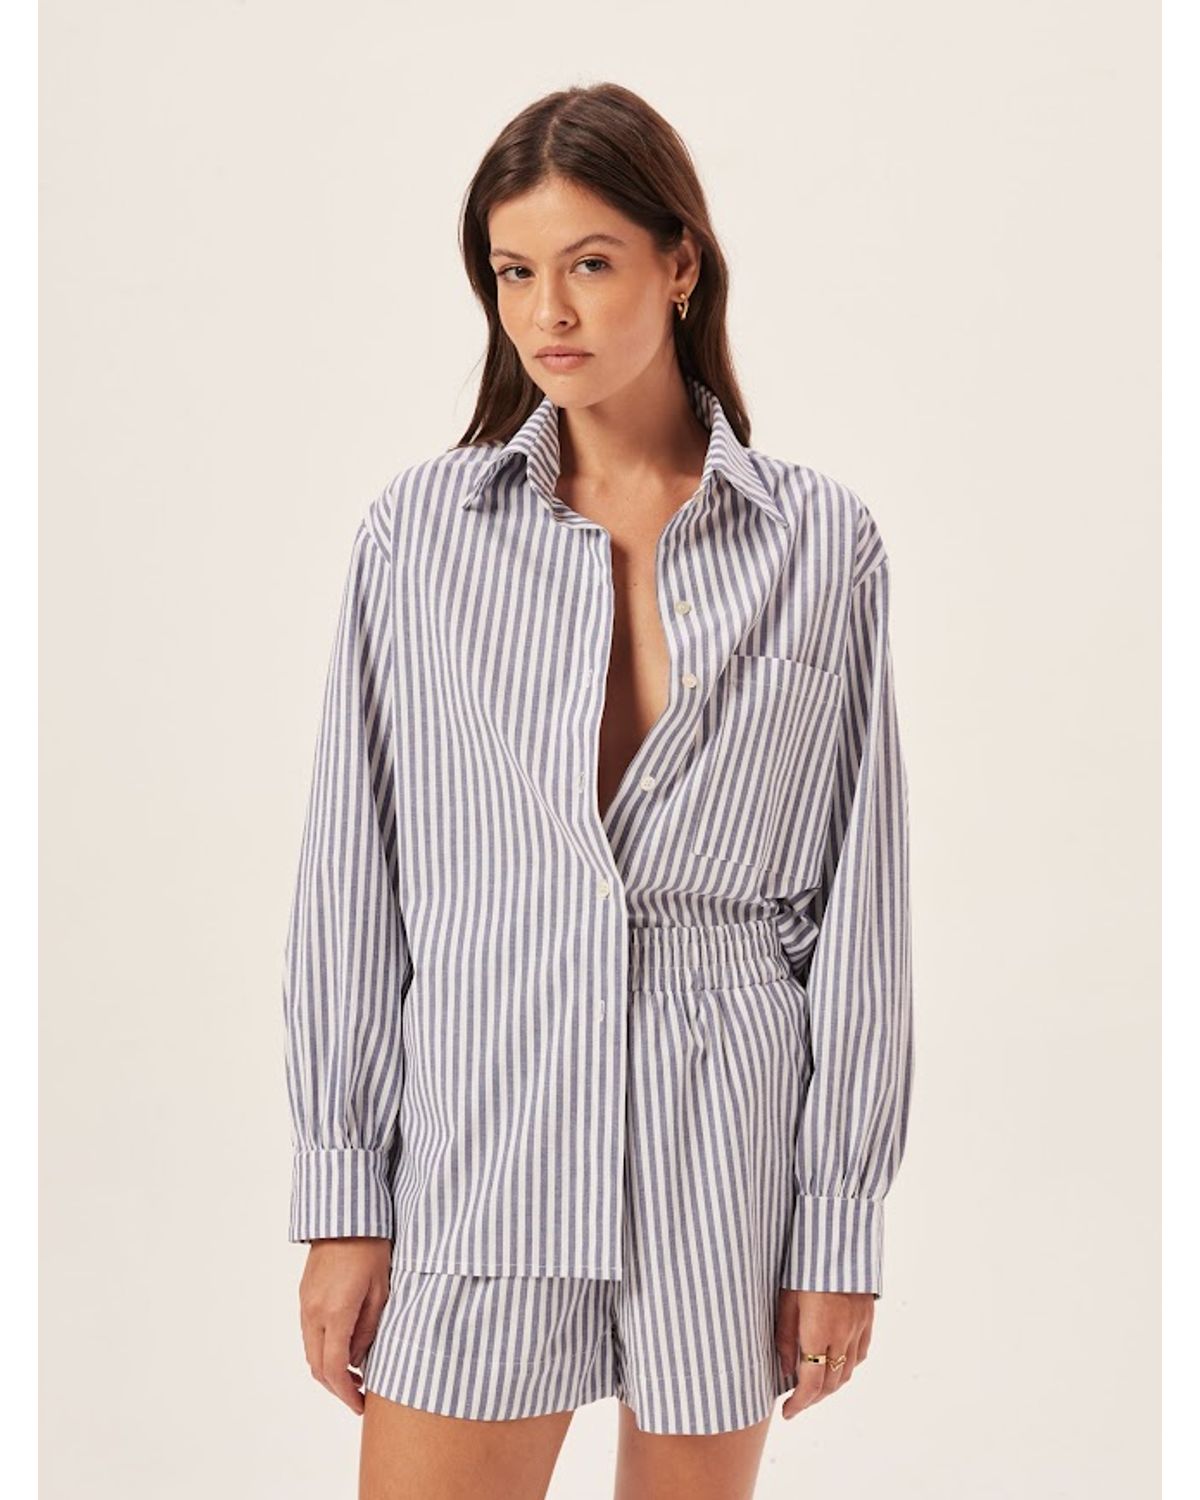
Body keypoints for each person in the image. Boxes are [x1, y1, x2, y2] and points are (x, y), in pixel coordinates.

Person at [281, 80, 914, 1500]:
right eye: (513, 272)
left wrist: (838, 1224)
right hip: (488, 1122)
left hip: (720, 1138)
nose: (547, 311)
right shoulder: (420, 536)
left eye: (589, 263)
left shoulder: (822, 544)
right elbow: (352, 882)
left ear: (680, 265)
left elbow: (860, 909)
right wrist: (344, 1194)